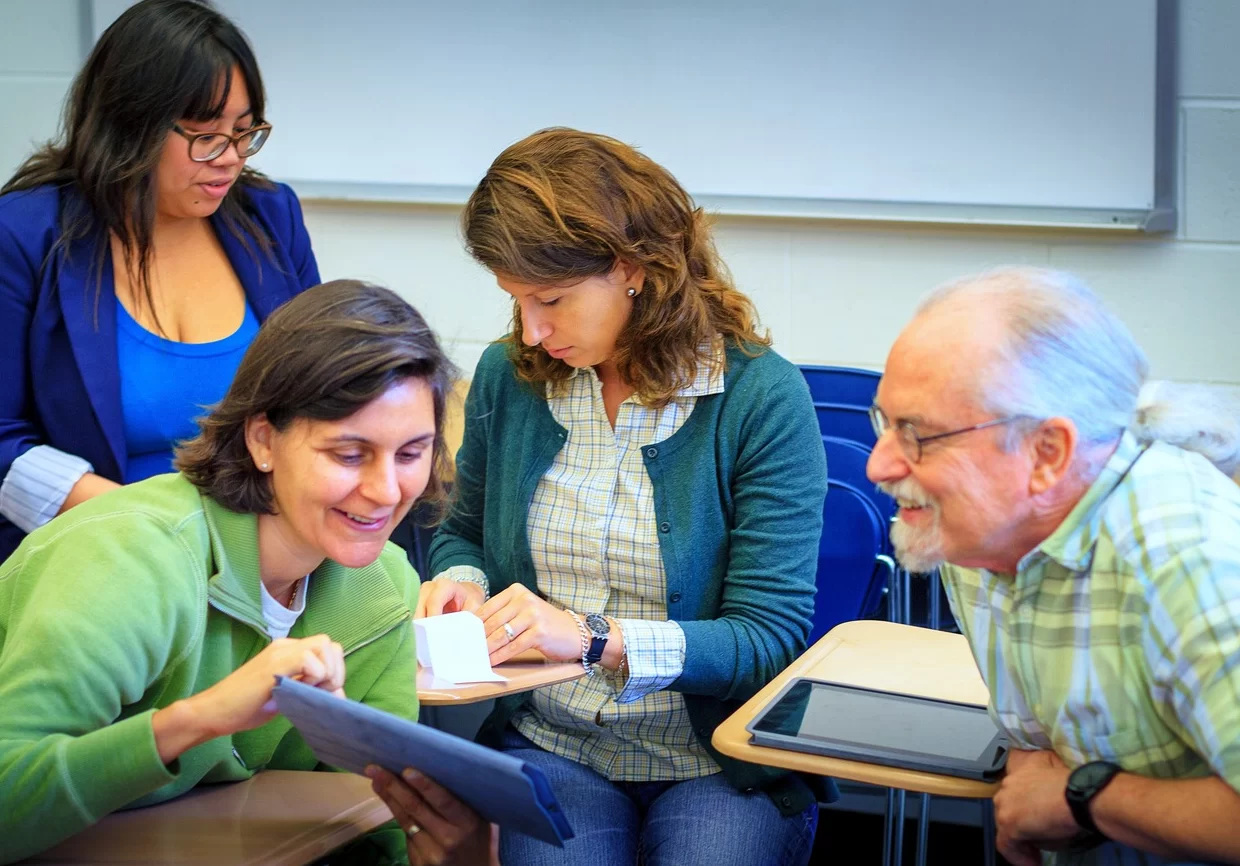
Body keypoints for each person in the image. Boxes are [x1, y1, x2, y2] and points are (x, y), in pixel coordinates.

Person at [415, 127, 827, 866]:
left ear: (633, 269)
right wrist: (460, 585)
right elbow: (463, 533)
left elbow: (769, 641)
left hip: (715, 761)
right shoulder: (512, 377)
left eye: (552, 300)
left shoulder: (762, 397)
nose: (534, 332)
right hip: (553, 742)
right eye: (516, 302)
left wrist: (595, 638)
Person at [0, 281, 488, 866]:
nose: (386, 491)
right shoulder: (131, 558)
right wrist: (198, 720)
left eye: (411, 453)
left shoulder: (385, 586)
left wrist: (452, 856)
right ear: (263, 439)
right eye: (349, 454)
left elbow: (368, 830)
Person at [865, 266, 1240, 866]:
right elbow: (1033, 743)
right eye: (885, 422)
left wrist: (1082, 801)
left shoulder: (1188, 565)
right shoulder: (979, 532)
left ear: (1047, 454)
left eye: (918, 434)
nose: (877, 467)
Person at [0, 0, 320, 562]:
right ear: (131, 124)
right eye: (205, 136)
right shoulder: (26, 235)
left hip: (260, 553)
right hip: (94, 551)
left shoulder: (271, 215)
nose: (230, 159)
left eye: (245, 133)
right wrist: (147, 527)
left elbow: (324, 388)